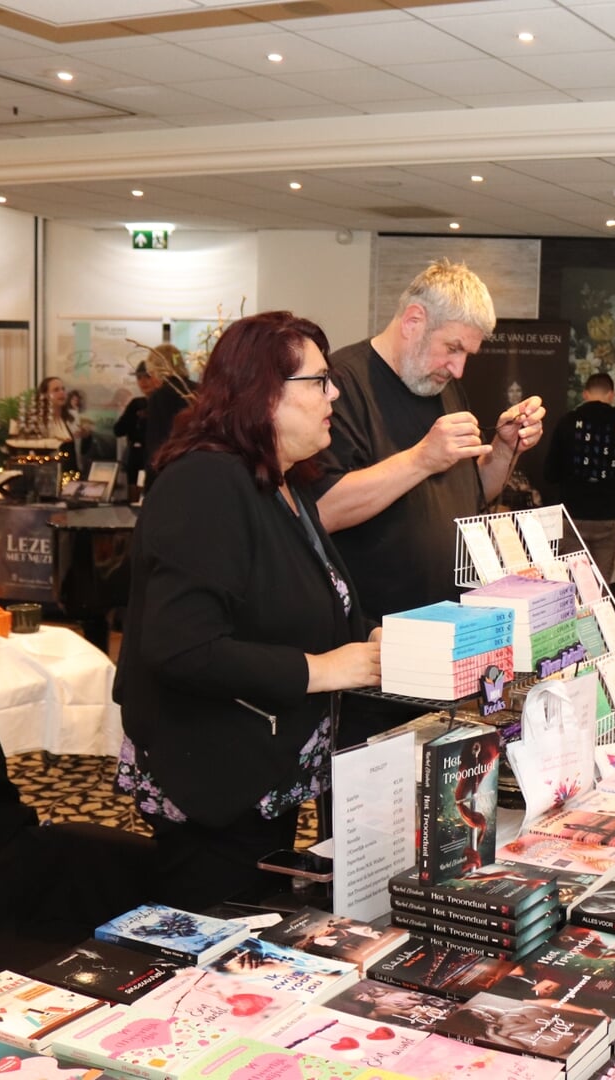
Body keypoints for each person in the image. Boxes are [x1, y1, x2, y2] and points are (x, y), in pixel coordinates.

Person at [111, 311, 383, 911]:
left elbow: (309, 603)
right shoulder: (205, 483)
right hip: (213, 779)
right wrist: (322, 669)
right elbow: (181, 647)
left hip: (264, 774)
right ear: (265, 394)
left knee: (256, 929)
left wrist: (374, 638)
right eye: (320, 381)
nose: (334, 395)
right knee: (213, 938)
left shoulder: (284, 483)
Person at [309, 259, 545, 623]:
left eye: (466, 354)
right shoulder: (341, 387)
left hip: (453, 619)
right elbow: (322, 511)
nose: (459, 369)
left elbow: (470, 494)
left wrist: (502, 450)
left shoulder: (442, 386)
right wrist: (422, 459)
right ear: (413, 321)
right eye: (452, 348)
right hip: (377, 628)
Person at [544, 370, 615, 582]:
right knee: (600, 585)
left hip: (572, 516)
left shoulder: (566, 423)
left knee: (572, 584)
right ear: (611, 395)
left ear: (585, 394)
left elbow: (550, 473)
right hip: (608, 516)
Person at [114, 363, 159, 490]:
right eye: (139, 378)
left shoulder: (164, 403)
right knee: (134, 493)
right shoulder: (136, 403)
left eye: (147, 377)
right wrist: (135, 417)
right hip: (136, 457)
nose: (143, 382)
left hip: (156, 459)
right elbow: (118, 430)